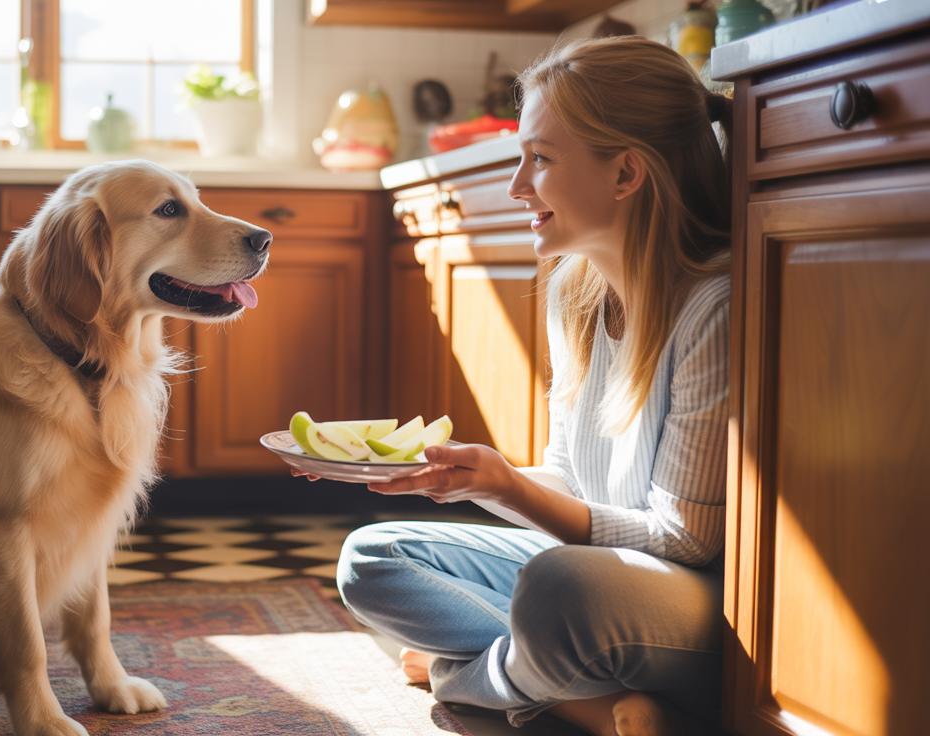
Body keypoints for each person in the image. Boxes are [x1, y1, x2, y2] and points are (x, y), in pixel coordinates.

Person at [296, 36, 734, 736]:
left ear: (626, 173)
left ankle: (468, 677)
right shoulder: (577, 293)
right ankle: (573, 697)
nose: (516, 187)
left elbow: (687, 542)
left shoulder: (715, 307)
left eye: (541, 159)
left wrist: (504, 487)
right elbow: (567, 478)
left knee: (561, 587)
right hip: (591, 577)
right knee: (373, 557)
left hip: (677, 605)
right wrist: (462, 477)